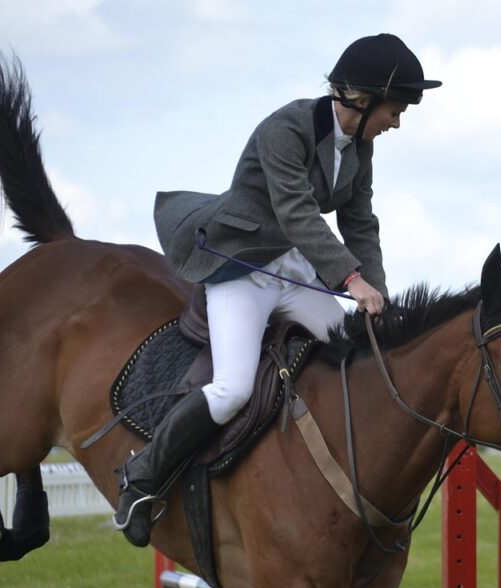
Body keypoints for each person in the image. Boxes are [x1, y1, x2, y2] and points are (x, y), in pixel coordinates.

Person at [113, 34, 441, 547]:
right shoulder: (284, 128)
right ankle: (141, 479)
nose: (396, 122)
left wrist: (379, 295)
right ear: (363, 99)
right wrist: (350, 280)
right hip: (238, 267)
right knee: (232, 389)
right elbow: (296, 212)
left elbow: (361, 223)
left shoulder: (360, 147)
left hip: (291, 267)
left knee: (358, 355)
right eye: (395, 110)